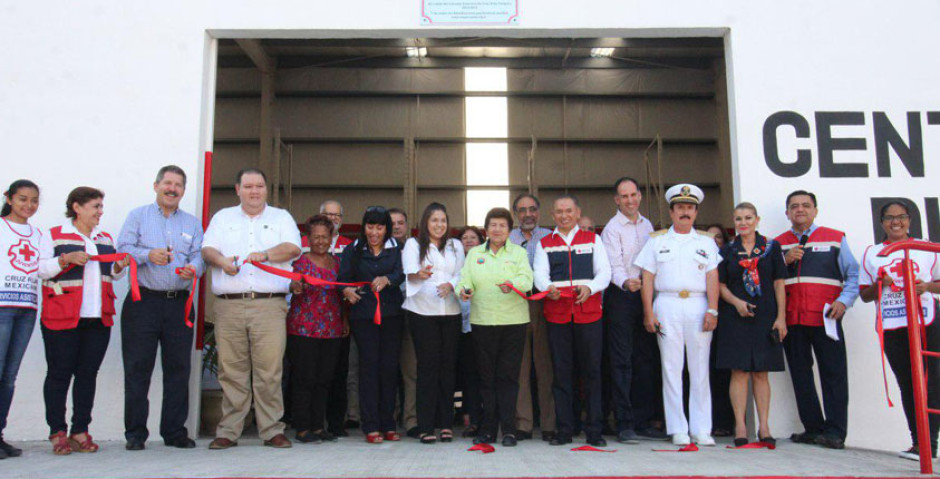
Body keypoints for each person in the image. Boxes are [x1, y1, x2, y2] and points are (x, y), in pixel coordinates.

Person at [202, 168, 301, 450]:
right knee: (231, 370)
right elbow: (207, 250)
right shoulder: (222, 218)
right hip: (229, 306)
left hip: (269, 304)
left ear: (266, 190)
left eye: (259, 186)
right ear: (237, 189)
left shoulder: (281, 218)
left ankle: (271, 430)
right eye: (248, 186)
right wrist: (221, 261)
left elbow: (293, 248)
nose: (254, 191)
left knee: (269, 371)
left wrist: (266, 255)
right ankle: (229, 431)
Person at [116, 165, 203, 451]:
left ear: (183, 191)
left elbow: (199, 256)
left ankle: (174, 431)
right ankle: (136, 433)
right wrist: (146, 255)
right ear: (156, 185)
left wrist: (194, 268)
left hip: (178, 304)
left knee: (178, 369)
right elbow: (123, 249)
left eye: (178, 185)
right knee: (138, 369)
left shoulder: (191, 223)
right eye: (167, 183)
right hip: (144, 303)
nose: (172, 188)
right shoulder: (137, 216)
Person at [38, 186, 131, 455]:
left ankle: (80, 429)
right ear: (77, 207)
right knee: (58, 374)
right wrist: (64, 259)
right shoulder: (55, 235)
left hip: (97, 319)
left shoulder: (104, 237)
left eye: (101, 207)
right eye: (96, 207)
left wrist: (119, 267)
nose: (100, 212)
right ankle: (57, 431)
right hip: (62, 317)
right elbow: (41, 269)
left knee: (87, 375)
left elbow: (112, 275)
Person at [634, 184, 720, 447]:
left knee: (700, 368)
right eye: (680, 207)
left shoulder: (706, 242)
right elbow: (647, 278)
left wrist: (713, 309)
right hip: (667, 304)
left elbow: (712, 277)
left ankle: (702, 428)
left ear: (696, 212)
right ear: (671, 212)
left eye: (690, 208)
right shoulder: (657, 240)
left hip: (697, 304)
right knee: (671, 368)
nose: (685, 212)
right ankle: (678, 428)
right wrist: (648, 312)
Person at [776, 190, 859, 450]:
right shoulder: (777, 244)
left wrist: (843, 301)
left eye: (806, 205)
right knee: (800, 375)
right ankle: (813, 428)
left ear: (815, 210)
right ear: (787, 212)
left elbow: (854, 275)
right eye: (794, 206)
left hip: (827, 318)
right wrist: (783, 260)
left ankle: (835, 432)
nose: (800, 210)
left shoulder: (834, 238)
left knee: (833, 374)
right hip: (792, 319)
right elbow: (767, 278)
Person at [859, 201, 940, 460]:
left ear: (909, 220)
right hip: (893, 325)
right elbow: (864, 294)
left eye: (902, 217)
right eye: (890, 218)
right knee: (908, 383)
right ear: (881, 222)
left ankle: (932, 444)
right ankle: (918, 443)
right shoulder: (873, 253)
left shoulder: (928, 249)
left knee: (932, 382)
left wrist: (926, 286)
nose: (896, 222)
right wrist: (881, 285)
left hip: (926, 321)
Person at [535, 195, 611, 447]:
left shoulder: (593, 239)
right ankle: (565, 429)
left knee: (591, 373)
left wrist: (590, 288)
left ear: (577, 213)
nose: (564, 215)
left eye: (568, 210)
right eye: (559, 211)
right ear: (553, 214)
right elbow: (540, 275)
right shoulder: (545, 243)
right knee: (562, 374)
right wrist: (548, 288)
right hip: (557, 316)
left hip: (588, 314)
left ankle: (594, 431)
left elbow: (604, 273)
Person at [600, 176, 668, 444]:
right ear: (617, 200)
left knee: (645, 359)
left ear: (640, 196)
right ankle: (624, 423)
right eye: (624, 196)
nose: (629, 200)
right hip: (623, 297)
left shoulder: (647, 225)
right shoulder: (612, 229)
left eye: (633, 195)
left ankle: (642, 420)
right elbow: (613, 265)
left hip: (647, 296)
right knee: (622, 361)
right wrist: (626, 282)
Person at [458, 208, 533, 447]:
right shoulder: (474, 254)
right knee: (486, 378)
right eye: (493, 225)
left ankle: (509, 430)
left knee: (508, 378)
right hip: (482, 322)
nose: (497, 229)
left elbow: (528, 280)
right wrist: (465, 290)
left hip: (513, 322)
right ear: (486, 229)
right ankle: (488, 429)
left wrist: (513, 285)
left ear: (510, 230)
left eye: (502, 225)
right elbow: (465, 279)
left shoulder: (519, 253)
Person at [715, 203, 787, 447]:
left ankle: (764, 426)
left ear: (757, 219)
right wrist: (736, 303)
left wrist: (781, 317)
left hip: (766, 315)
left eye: (747, 218)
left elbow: (779, 283)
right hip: (735, 316)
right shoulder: (727, 250)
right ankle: (741, 426)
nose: (743, 223)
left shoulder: (771, 247)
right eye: (738, 219)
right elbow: (720, 286)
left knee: (761, 372)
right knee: (739, 371)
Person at [339, 206, 405, 444]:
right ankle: (371, 425)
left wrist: (389, 279)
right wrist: (346, 289)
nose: (374, 232)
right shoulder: (353, 250)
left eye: (379, 227)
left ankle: (389, 423)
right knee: (369, 368)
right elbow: (342, 278)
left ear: (387, 229)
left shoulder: (398, 249)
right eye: (370, 227)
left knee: (389, 368)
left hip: (392, 316)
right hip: (363, 317)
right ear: (363, 227)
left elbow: (403, 274)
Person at [402, 203, 465, 443]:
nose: (439, 225)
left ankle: (446, 423)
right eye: (434, 220)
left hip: (450, 311)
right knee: (427, 369)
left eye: (443, 220)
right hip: (422, 312)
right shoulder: (413, 245)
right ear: (425, 223)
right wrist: (419, 275)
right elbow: (408, 272)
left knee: (448, 368)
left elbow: (462, 273)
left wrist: (452, 285)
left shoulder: (456, 245)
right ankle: (426, 425)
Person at [287, 215, 348, 444]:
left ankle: (318, 425)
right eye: (316, 237)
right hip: (303, 328)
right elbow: (291, 285)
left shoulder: (338, 264)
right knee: (305, 378)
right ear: (308, 238)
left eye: (325, 236)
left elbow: (341, 294)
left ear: (332, 238)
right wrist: (295, 286)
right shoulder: (300, 262)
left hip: (332, 328)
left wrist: (345, 321)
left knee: (324, 379)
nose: (321, 241)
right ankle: (302, 427)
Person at [508, 193, 556, 442]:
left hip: (546, 303)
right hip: (516, 303)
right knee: (521, 366)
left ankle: (550, 424)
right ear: (516, 213)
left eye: (532, 209)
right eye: (522, 210)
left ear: (539, 211)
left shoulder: (551, 236)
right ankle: (523, 424)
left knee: (546, 364)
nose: (528, 214)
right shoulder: (507, 239)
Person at [0, 180, 40, 459]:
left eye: (34, 201)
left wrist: (64, 261)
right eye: (23, 199)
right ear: (9, 198)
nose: (28, 205)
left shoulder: (38, 234)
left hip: (27, 308)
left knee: (9, 376)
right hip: (2, 306)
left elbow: (45, 266)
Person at [318, 200, 357, 437]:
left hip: (341, 318)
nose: (333, 219)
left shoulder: (350, 247)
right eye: (328, 214)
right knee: (313, 373)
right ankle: (311, 421)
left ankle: (336, 423)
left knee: (340, 373)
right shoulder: (303, 244)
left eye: (337, 215)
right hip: (310, 320)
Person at [389, 207, 419, 438]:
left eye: (401, 222)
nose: (397, 226)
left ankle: (411, 419)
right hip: (387, 316)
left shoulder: (417, 248)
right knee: (387, 370)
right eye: (393, 223)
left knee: (411, 371)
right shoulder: (377, 250)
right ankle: (388, 418)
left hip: (411, 314)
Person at [704, 222, 734, 437]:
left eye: (718, 237)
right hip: (699, 317)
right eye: (710, 237)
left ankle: (724, 421)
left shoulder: (730, 258)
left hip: (725, 319)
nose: (714, 241)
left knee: (722, 372)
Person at [456, 226, 484, 437]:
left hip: (481, 325)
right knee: (465, 375)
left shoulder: (484, 261)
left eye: (472, 237)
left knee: (480, 374)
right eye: (464, 238)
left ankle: (482, 418)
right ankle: (465, 416)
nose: (468, 241)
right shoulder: (453, 263)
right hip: (457, 327)